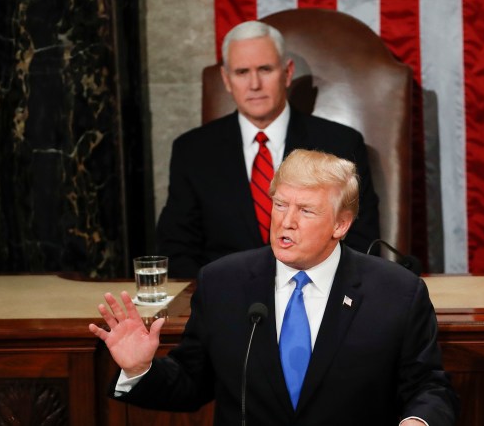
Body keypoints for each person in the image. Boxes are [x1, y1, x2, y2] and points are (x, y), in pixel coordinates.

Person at [90, 149, 458, 425]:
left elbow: (428, 387)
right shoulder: (223, 282)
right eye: (280, 204)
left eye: (306, 210)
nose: (286, 221)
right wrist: (141, 368)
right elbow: (191, 383)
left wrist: (418, 421)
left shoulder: (395, 293)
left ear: (341, 224)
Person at [157, 20, 380, 278]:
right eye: (242, 72)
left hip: (316, 296)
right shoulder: (193, 150)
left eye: (265, 69)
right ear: (226, 80)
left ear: (287, 73)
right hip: (226, 298)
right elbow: (176, 248)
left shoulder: (340, 144)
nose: (254, 84)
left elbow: (361, 242)